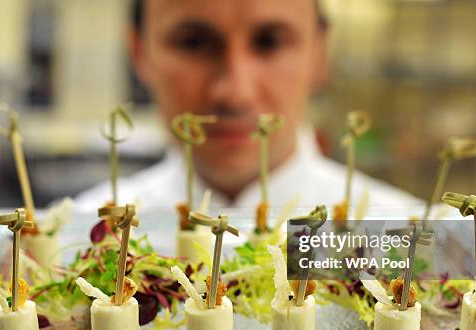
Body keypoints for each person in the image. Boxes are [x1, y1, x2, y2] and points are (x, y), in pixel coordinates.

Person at [77, 0, 420, 216]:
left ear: (321, 53)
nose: (234, 93)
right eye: (193, 42)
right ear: (139, 52)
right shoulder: (73, 240)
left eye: (269, 41)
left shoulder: (412, 245)